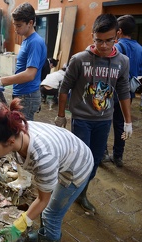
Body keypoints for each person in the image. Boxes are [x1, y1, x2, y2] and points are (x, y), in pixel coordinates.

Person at [0, 99, 93, 242]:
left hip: (77, 167)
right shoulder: (12, 130)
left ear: (10, 142)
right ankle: (42, 233)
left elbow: (43, 200)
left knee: (51, 214)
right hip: (64, 150)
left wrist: (17, 227)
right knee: (45, 206)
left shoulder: (43, 158)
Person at [55, 14, 132, 215]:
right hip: (81, 119)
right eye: (99, 40)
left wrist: (128, 121)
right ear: (92, 36)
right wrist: (61, 115)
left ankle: (81, 193)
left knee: (96, 159)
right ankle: (64, 193)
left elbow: (123, 91)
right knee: (80, 160)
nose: (104, 45)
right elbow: (65, 87)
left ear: (117, 35)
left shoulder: (122, 61)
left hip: (104, 120)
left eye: (109, 40)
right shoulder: (80, 60)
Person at [0, 2, 47, 121]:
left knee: (22, 132)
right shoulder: (26, 40)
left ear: (30, 23)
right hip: (22, 93)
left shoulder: (34, 42)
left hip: (28, 95)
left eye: (18, 25)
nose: (15, 29)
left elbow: (30, 74)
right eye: (14, 25)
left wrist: (2, 81)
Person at [103, 15, 142, 168]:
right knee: (122, 123)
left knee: (105, 121)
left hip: (112, 92)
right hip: (129, 93)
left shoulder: (117, 47)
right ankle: (118, 156)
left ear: (118, 31)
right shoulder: (140, 48)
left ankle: (102, 153)